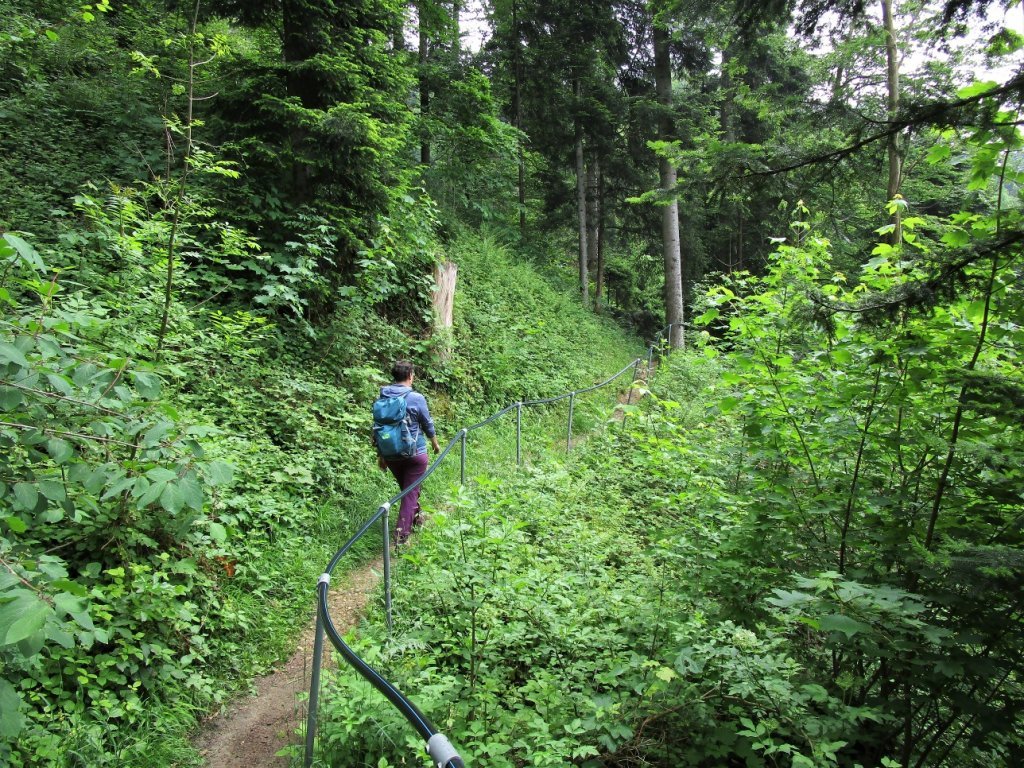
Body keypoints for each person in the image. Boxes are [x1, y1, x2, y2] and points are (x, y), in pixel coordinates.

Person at [374, 360, 441, 546]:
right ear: (410, 375)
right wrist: (435, 444)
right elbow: (427, 423)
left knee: (409, 490)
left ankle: (417, 519)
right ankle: (401, 537)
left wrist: (381, 455)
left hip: (391, 454)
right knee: (410, 492)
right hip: (415, 454)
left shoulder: (382, 398)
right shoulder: (416, 397)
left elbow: (378, 428)